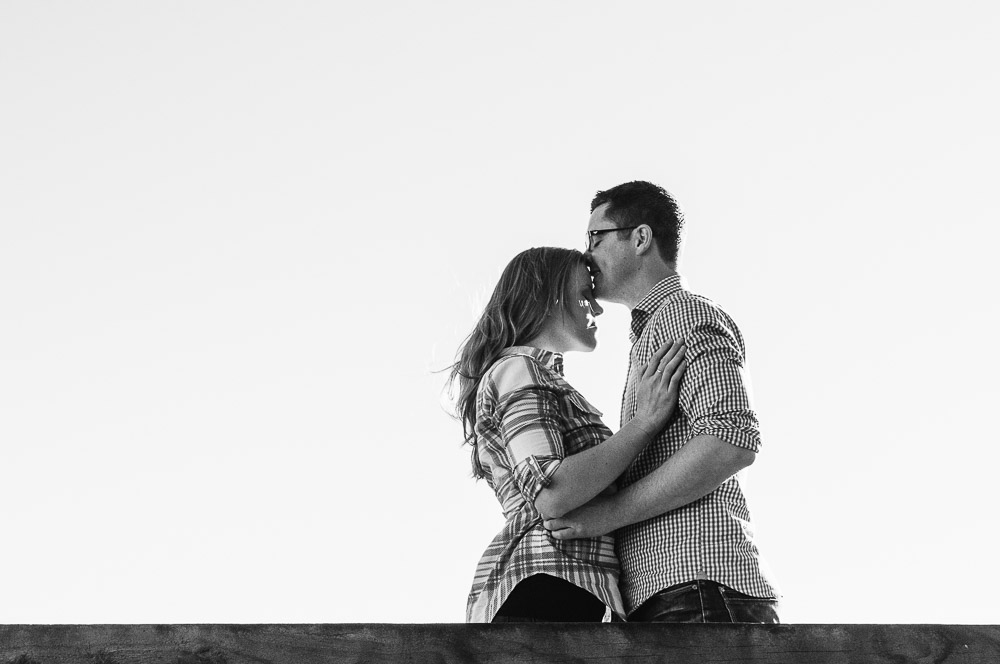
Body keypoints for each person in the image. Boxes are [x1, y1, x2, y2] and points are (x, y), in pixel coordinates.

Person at [543, 181, 781, 623]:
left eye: (595, 237)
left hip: (698, 590)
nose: (586, 255)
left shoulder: (684, 315)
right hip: (672, 596)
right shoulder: (651, 332)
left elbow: (730, 440)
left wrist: (610, 513)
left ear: (640, 238)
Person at [449, 246, 687, 623]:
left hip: (567, 590)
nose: (596, 308)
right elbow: (551, 492)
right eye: (584, 294)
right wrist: (644, 424)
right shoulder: (518, 370)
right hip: (546, 585)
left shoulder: (537, 375)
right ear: (548, 298)